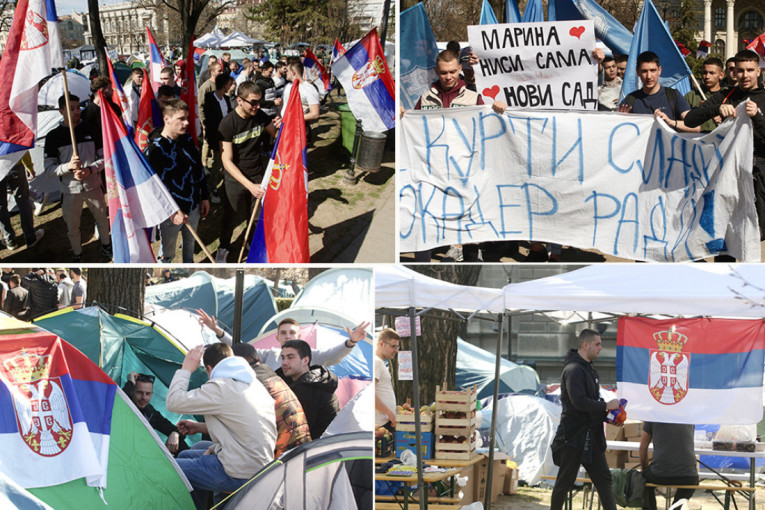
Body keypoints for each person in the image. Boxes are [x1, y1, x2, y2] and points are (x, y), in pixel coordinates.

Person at [168, 344, 276, 509]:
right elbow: (239, 426)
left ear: (209, 368)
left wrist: (186, 369)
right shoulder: (252, 384)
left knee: (170, 470)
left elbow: (173, 402)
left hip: (240, 473)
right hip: (259, 465)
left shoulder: (222, 387)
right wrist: (198, 427)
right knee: (188, 452)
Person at [685, 49, 765, 241]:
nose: (745, 75)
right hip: (727, 175)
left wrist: (758, 117)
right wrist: (717, 107)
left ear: (758, 71)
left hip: (758, 175)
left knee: (755, 234)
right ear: (734, 72)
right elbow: (689, 120)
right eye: (740, 70)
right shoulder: (725, 95)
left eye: (750, 70)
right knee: (725, 235)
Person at [550, 329, 620, 510]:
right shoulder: (573, 370)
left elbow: (591, 404)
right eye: (597, 344)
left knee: (604, 479)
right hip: (573, 436)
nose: (601, 348)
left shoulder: (590, 370)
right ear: (585, 344)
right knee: (565, 482)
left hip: (592, 435)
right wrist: (606, 406)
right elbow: (578, 402)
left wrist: (608, 416)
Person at [216, 81, 280, 262]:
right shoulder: (227, 124)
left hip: (258, 172)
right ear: (239, 101)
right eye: (253, 102)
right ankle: (224, 247)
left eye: (259, 102)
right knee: (231, 215)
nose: (257, 106)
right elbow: (226, 161)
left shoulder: (259, 115)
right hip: (236, 178)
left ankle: (252, 242)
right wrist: (249, 185)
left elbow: (277, 134)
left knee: (257, 215)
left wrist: (281, 124)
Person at [44, 93, 112, 262]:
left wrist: (90, 170)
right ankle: (77, 253)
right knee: (73, 226)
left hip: (93, 185)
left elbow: (104, 158)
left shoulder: (91, 129)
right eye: (71, 109)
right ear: (61, 111)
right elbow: (50, 170)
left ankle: (106, 245)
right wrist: (68, 167)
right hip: (70, 190)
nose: (76, 112)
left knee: (102, 217)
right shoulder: (53, 136)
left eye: (78, 108)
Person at [145, 98, 210, 263]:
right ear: (167, 119)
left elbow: (198, 169)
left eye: (187, 118)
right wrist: (171, 213)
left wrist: (204, 196)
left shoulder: (186, 139)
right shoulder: (154, 151)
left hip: (193, 205)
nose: (187, 122)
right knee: (167, 254)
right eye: (181, 118)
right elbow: (152, 190)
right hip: (171, 215)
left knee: (190, 245)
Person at [198, 312, 370, 371]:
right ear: (277, 337)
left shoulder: (312, 356)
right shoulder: (269, 355)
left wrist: (351, 341)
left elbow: (333, 356)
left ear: (299, 336)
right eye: (284, 333)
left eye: (292, 333)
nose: (288, 336)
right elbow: (242, 349)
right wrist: (216, 330)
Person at [232, 343, 311, 457]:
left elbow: (241, 429)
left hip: (281, 460)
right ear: (258, 359)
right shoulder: (274, 378)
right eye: (283, 358)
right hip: (301, 451)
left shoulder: (251, 385)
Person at [618, 51, 699, 134]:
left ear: (659, 70)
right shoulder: (630, 100)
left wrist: (670, 122)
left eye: (653, 70)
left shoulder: (673, 95)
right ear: (638, 72)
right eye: (644, 71)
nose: (649, 76)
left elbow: (696, 127)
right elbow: (620, 134)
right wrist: (622, 122)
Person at [276, 339, 340, 440]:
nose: (284, 362)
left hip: (318, 448)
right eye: (283, 358)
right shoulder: (290, 382)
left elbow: (296, 430)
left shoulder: (309, 388)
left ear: (305, 360)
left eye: (290, 357)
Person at [123, 371, 189, 455]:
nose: (144, 397)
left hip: (143, 453)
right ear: (132, 392)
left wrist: (175, 434)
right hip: (125, 451)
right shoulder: (125, 406)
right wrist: (130, 382)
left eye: (148, 394)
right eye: (139, 393)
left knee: (179, 443)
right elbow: (114, 404)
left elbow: (171, 427)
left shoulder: (150, 412)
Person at [640, 422, 698, 510]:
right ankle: (677, 508)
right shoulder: (688, 416)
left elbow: (643, 448)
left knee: (641, 481)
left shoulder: (652, 416)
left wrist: (645, 471)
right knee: (687, 488)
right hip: (690, 476)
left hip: (660, 474)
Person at [0, 152, 44, 251]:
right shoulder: (7, 135)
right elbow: (21, 146)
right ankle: (30, 237)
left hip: (10, 166)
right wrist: (29, 166)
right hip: (14, 164)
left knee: (1, 206)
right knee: (23, 201)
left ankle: (9, 240)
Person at [202, 73, 234, 204]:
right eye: (230, 84)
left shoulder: (226, 99)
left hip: (227, 138)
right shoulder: (209, 98)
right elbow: (210, 122)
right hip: (216, 139)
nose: (232, 87)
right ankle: (213, 188)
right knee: (216, 164)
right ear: (225, 85)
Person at [685, 57, 725, 133]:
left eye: (712, 73)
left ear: (721, 75)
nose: (707, 76)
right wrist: (697, 111)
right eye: (704, 72)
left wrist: (724, 118)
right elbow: (683, 121)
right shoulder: (691, 96)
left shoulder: (728, 94)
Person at [374, 329, 400, 428]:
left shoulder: (379, 362)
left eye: (397, 347)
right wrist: (389, 413)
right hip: (381, 424)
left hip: (383, 422)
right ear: (381, 343)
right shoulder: (377, 363)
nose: (396, 350)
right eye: (393, 346)